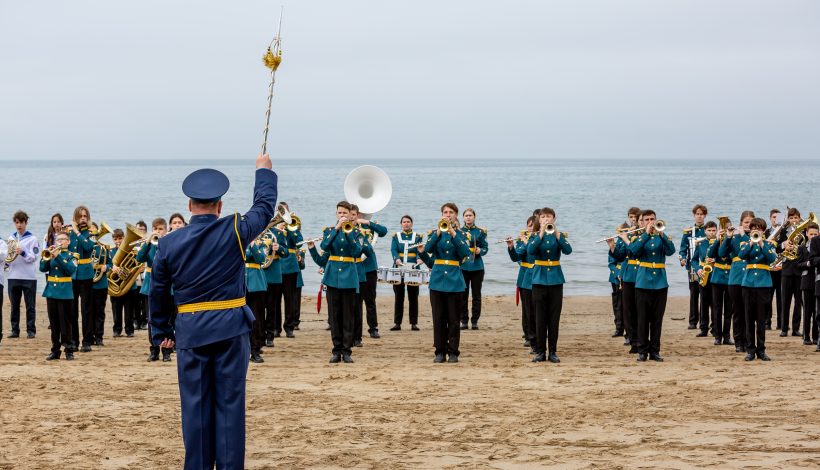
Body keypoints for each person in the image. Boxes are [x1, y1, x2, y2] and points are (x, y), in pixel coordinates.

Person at [149, 155, 277, 469]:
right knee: (230, 408)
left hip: (191, 333)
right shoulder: (234, 230)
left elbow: (158, 291)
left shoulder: (168, 244)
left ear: (190, 206)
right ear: (219, 206)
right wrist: (264, 171)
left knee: (196, 410)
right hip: (231, 330)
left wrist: (162, 332)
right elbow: (264, 207)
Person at [424, 202, 471, 363]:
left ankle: (453, 352)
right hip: (437, 280)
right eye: (445, 212)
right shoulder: (435, 233)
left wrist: (453, 232)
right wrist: (438, 232)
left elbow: (466, 252)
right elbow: (427, 248)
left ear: (456, 215)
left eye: (451, 212)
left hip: (455, 281)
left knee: (453, 319)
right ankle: (439, 351)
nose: (448, 215)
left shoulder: (462, 235)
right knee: (438, 318)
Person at [630, 210, 675, 362]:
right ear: (641, 222)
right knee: (642, 319)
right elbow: (634, 251)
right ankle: (642, 351)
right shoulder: (639, 237)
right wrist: (646, 234)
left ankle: (655, 351)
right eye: (647, 219)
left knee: (657, 319)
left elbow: (671, 251)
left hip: (660, 283)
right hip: (643, 282)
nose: (650, 222)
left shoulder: (662, 237)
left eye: (653, 219)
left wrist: (662, 235)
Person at [320, 201, 363, 363]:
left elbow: (357, 251)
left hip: (349, 277)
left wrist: (348, 233)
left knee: (348, 316)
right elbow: (324, 246)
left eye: (345, 213)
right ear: (336, 214)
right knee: (334, 315)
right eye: (340, 213)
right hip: (332, 277)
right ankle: (336, 349)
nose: (342, 216)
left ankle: (347, 350)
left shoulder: (356, 233)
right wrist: (337, 229)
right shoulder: (329, 231)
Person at [527, 208, 571, 363]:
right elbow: (531, 250)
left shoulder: (559, 236)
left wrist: (557, 234)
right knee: (540, 318)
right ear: (539, 219)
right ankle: (540, 351)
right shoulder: (534, 236)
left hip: (556, 280)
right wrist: (541, 233)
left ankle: (553, 351)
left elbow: (568, 250)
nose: (546, 219)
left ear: (554, 218)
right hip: (539, 279)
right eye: (543, 217)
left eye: (549, 217)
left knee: (553, 318)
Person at [738, 218, 777, 361]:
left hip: (764, 284)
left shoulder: (768, 244)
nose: (756, 230)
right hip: (748, 284)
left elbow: (772, 258)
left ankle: (761, 350)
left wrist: (761, 244)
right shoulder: (745, 244)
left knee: (761, 320)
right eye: (754, 228)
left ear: (763, 230)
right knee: (749, 319)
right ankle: (750, 350)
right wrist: (751, 243)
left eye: (759, 228)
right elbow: (741, 255)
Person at [350, 205, 388, 338]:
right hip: (354, 267)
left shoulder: (367, 226)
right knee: (356, 302)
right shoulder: (346, 228)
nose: (355, 216)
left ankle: (373, 328)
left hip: (369, 267)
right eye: (353, 214)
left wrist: (367, 222)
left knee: (370, 300)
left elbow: (383, 231)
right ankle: (356, 332)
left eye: (357, 214)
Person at [719, 211, 754, 353]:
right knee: (738, 311)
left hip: (751, 278)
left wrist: (745, 235)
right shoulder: (734, 237)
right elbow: (721, 254)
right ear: (740, 223)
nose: (748, 225)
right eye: (745, 223)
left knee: (749, 312)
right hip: (736, 278)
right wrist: (728, 237)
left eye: (750, 223)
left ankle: (749, 341)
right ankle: (739, 341)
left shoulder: (755, 237)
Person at [610, 208, 644, 353]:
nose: (635, 221)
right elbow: (620, 255)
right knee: (628, 309)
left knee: (640, 309)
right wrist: (612, 246)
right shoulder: (627, 234)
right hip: (629, 275)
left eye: (639, 219)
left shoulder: (647, 236)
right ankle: (632, 339)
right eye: (634, 218)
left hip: (642, 273)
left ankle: (641, 340)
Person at [40, 233, 77, 360]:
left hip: (65, 293)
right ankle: (55, 350)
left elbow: (71, 270)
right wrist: (46, 257)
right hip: (51, 292)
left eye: (63, 239)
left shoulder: (72, 256)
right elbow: (42, 268)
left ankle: (69, 350)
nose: (60, 241)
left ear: (68, 241)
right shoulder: (51, 254)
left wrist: (59, 257)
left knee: (66, 323)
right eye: (58, 239)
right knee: (54, 323)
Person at [6, 210, 41, 339]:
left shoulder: (33, 238)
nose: (19, 225)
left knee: (30, 306)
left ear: (26, 223)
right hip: (13, 276)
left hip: (29, 277)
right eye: (17, 222)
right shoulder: (11, 238)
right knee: (14, 306)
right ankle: (15, 330)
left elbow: (35, 256)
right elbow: (8, 255)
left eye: (21, 222)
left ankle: (31, 330)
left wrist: (23, 253)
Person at [138, 218, 168, 361]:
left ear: (166, 230)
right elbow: (139, 258)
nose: (158, 231)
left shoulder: (168, 244)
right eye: (155, 229)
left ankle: (166, 351)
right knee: (151, 319)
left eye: (160, 229)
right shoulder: (149, 245)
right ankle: (154, 350)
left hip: (165, 286)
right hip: (150, 285)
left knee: (166, 319)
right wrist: (148, 241)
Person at [390, 215, 423, 331]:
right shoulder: (396, 237)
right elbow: (393, 249)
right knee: (399, 297)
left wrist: (420, 258)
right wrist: (396, 259)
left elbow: (420, 249)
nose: (406, 224)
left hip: (413, 269)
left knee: (413, 297)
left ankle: (413, 323)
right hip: (399, 269)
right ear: (401, 224)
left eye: (408, 222)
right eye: (404, 222)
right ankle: (397, 323)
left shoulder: (418, 236)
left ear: (412, 224)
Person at [508, 216, 536, 352]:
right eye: (529, 225)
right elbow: (516, 257)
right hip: (525, 277)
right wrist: (511, 247)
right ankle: (529, 337)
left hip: (539, 276)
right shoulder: (522, 240)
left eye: (533, 225)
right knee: (527, 310)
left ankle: (538, 336)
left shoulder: (539, 239)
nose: (531, 228)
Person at [278, 202, 304, 338]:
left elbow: (300, 241)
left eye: (284, 211)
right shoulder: (273, 225)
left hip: (290, 267)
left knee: (290, 299)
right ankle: (276, 328)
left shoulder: (293, 226)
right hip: (276, 266)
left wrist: (290, 228)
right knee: (274, 300)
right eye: (280, 211)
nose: (282, 214)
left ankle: (289, 326)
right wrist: (278, 228)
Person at [776, 207, 803, 337]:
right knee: (785, 301)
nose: (793, 220)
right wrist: (784, 245)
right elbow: (776, 248)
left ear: (799, 218)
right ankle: (784, 328)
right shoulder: (783, 231)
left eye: (795, 218)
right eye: (791, 218)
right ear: (788, 219)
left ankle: (796, 328)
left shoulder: (804, 230)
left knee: (798, 301)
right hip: (786, 269)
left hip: (799, 269)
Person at [460, 208, 488, 330]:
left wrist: (480, 251)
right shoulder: (459, 231)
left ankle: (475, 320)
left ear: (474, 217)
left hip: (477, 267)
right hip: (463, 267)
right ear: (463, 217)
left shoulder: (481, 232)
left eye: (470, 215)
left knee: (476, 295)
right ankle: (464, 321)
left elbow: (486, 248)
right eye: (466, 215)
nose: (468, 217)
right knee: (463, 295)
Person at [680, 204, 707, 330]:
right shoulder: (688, 232)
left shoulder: (709, 230)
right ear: (694, 215)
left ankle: (704, 321)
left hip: (706, 268)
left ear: (705, 215)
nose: (699, 216)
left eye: (701, 214)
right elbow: (682, 249)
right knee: (694, 294)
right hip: (692, 267)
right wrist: (682, 259)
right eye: (697, 214)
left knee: (705, 295)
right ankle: (692, 321)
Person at [706, 221, 734, 346]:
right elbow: (710, 254)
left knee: (728, 309)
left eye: (727, 227)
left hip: (730, 278)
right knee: (717, 308)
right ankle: (717, 335)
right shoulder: (715, 241)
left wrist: (729, 238)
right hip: (717, 277)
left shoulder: (733, 240)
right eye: (723, 227)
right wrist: (717, 240)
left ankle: (727, 335)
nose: (725, 229)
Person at [262, 222, 288, 345]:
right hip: (259, 273)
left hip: (273, 274)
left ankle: (270, 335)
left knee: (272, 308)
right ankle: (259, 334)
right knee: (258, 308)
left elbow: (286, 252)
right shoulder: (256, 231)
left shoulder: (278, 233)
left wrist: (280, 248)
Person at [110, 229, 138, 338]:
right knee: (116, 310)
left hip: (129, 286)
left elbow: (137, 263)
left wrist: (136, 270)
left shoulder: (132, 251)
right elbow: (107, 264)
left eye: (120, 238)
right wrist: (113, 268)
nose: (118, 241)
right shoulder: (110, 252)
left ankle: (129, 330)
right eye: (115, 239)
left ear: (124, 238)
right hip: (115, 285)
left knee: (129, 310)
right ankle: (117, 329)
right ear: (112, 240)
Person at [245, 237, 270, 363]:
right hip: (241, 283)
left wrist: (253, 244)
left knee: (256, 319)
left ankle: (255, 350)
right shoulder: (240, 243)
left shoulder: (262, 243)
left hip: (256, 284)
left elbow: (261, 259)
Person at [692, 221, 716, 338]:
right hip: (704, 275)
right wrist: (698, 269)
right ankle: (703, 328)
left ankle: (715, 328)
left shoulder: (719, 242)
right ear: (705, 231)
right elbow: (694, 260)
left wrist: (715, 261)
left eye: (713, 230)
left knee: (716, 304)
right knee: (704, 303)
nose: (711, 233)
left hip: (716, 276)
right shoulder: (701, 244)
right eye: (709, 230)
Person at [89, 222, 112, 346]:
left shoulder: (103, 247)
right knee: (89, 311)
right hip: (88, 283)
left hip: (101, 284)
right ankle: (90, 335)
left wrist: (106, 267)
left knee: (99, 312)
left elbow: (111, 263)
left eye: (94, 230)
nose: (92, 233)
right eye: (90, 231)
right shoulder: (85, 247)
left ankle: (99, 336)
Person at [796, 223, 819, 345]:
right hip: (807, 282)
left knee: (817, 311)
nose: (813, 236)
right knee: (807, 311)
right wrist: (808, 264)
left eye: (815, 234)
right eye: (811, 234)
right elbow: (798, 264)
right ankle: (806, 336)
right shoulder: (802, 247)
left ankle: (816, 337)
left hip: (817, 281)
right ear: (806, 234)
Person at [765, 209, 783, 329]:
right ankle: (767, 322)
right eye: (773, 217)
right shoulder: (765, 233)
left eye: (778, 217)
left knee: (781, 298)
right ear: (770, 218)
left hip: (781, 269)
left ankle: (781, 323)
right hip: (769, 270)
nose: (775, 219)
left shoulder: (785, 233)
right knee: (767, 297)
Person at [134, 220, 149, 330]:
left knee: (144, 301)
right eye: (139, 229)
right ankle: (136, 320)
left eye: (143, 230)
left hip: (145, 274)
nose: (141, 231)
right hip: (135, 276)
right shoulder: (132, 243)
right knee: (135, 300)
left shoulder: (149, 242)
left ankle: (144, 320)